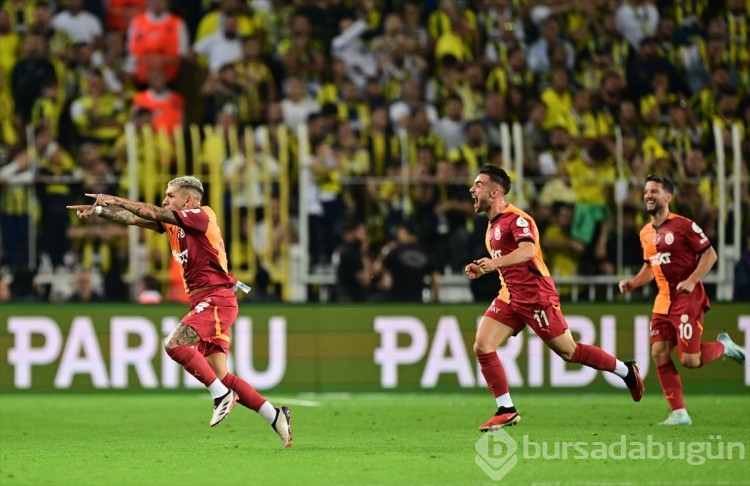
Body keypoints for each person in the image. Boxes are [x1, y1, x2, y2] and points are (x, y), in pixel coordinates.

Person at [67, 176, 292, 447]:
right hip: (204, 300)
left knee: (173, 344)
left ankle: (221, 396)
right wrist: (100, 211)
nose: (165, 200)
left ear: (188, 200)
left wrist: (115, 198)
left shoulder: (202, 215)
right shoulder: (176, 224)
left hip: (217, 297)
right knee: (221, 374)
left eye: (170, 195)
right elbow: (135, 219)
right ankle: (275, 415)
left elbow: (151, 211)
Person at [465, 165, 644, 432]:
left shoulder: (518, 219)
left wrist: (494, 262)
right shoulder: (491, 228)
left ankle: (626, 371)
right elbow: (507, 264)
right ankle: (506, 409)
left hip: (536, 296)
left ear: (495, 191)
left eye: (478, 184)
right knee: (482, 345)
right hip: (510, 296)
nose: (472, 189)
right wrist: (485, 268)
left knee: (569, 352)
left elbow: (527, 252)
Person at [618, 174, 745, 425]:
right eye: (646, 191)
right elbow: (650, 267)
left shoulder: (685, 225)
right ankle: (679, 412)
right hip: (663, 300)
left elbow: (710, 255)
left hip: (688, 298)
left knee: (690, 360)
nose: (648, 195)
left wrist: (692, 280)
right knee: (659, 353)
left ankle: (726, 347)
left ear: (668, 197)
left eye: (654, 191)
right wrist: (633, 282)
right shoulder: (645, 233)